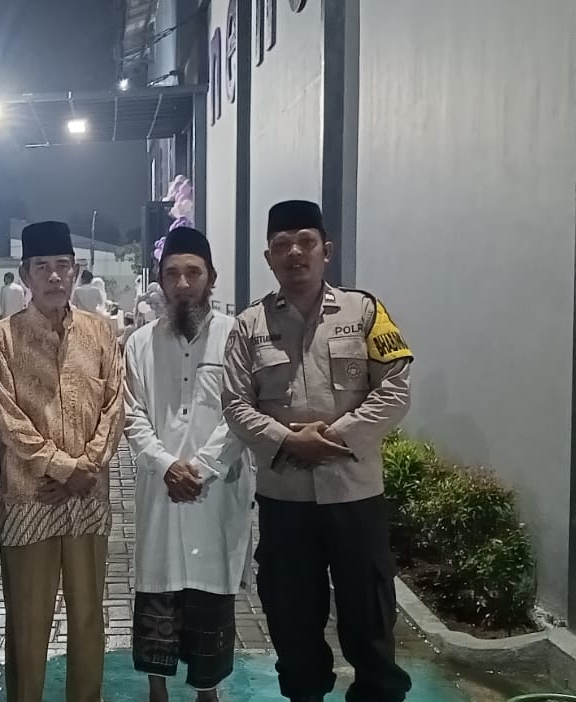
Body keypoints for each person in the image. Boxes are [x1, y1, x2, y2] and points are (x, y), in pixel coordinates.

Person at [222, 200, 415, 702]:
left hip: (355, 496)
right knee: (292, 618)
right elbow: (235, 404)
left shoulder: (365, 311)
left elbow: (395, 389)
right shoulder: (248, 326)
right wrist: (289, 441)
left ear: (326, 250)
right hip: (285, 500)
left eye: (305, 242)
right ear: (268, 258)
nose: (295, 253)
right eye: (282, 245)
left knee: (369, 614)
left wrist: (335, 437)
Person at [0, 220, 124, 702]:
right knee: (27, 623)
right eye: (42, 266)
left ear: (76, 271)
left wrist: (86, 467)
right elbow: (6, 417)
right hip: (30, 499)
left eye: (63, 265)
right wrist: (65, 468)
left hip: (87, 499)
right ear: (25, 275)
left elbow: (115, 406)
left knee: (88, 618)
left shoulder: (101, 333)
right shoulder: (2, 339)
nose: (54, 276)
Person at [122, 227, 253, 702]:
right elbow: (131, 413)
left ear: (211, 278)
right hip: (160, 491)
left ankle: (207, 693)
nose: (182, 284)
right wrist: (165, 465)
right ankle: (156, 691)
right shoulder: (139, 343)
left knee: (209, 599)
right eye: (172, 273)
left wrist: (200, 466)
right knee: (157, 591)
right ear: (159, 280)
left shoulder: (236, 336)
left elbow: (242, 409)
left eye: (192, 273)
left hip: (216, 493)